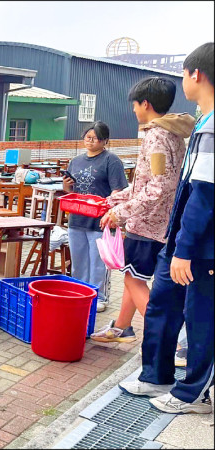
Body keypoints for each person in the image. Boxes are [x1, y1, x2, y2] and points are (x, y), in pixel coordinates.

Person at [119, 42, 214, 414]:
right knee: (162, 304)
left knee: (200, 317)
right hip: (176, 235)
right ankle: (154, 376)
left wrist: (185, 248)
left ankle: (194, 393)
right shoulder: (198, 124)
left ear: (196, 75)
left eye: (184, 75)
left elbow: (202, 195)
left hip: (190, 242)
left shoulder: (163, 134)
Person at [91, 77, 195, 343]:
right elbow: (150, 184)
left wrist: (120, 213)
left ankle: (172, 342)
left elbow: (159, 188)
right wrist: (118, 198)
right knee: (132, 276)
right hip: (161, 222)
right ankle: (122, 327)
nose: (134, 110)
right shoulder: (170, 132)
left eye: (135, 105)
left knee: (134, 281)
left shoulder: (156, 137)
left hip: (148, 225)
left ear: (145, 103)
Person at [63, 121, 129, 312]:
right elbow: (70, 190)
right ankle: (80, 292)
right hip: (77, 218)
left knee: (98, 261)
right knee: (79, 260)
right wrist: (66, 186)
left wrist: (112, 213)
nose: (90, 141)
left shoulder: (111, 160)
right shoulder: (76, 161)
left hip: (100, 220)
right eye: (88, 137)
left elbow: (119, 191)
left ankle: (99, 296)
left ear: (105, 141)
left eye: (96, 138)